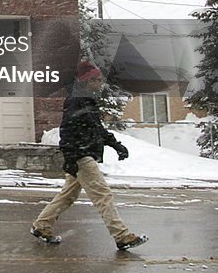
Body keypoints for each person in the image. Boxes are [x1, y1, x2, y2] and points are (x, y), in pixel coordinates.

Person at [31, 60, 148, 251]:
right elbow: (66, 131)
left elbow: (96, 129)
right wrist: (72, 157)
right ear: (86, 80)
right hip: (81, 155)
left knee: (67, 195)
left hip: (84, 153)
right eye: (96, 79)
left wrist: (115, 145)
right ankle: (122, 235)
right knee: (103, 194)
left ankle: (42, 226)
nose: (99, 83)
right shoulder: (77, 100)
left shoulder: (86, 99)